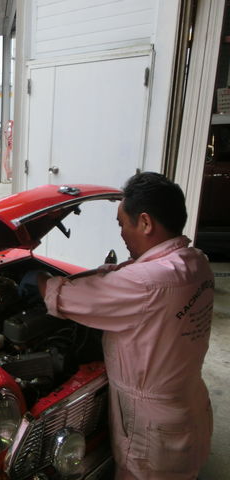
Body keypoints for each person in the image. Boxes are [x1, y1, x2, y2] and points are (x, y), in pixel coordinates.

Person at [36, 172, 214, 480]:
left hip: (151, 432)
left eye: (121, 224)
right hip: (191, 409)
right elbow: (133, 274)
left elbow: (62, 295)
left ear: (145, 223)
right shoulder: (197, 262)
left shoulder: (147, 284)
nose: (120, 233)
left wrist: (34, 279)